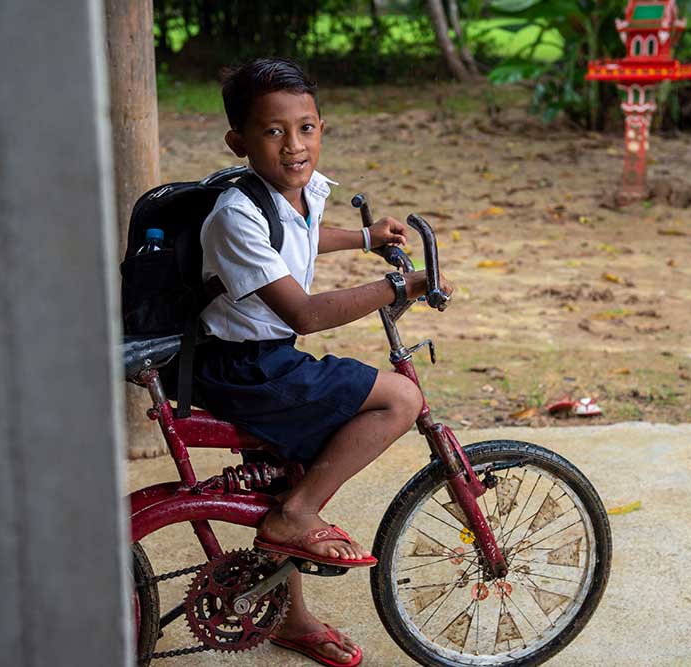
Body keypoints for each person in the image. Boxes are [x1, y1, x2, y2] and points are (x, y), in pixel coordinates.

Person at [196, 58, 451, 666]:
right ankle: (300, 513)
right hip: (245, 368)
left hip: (260, 357)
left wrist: (364, 239)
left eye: (305, 128)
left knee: (284, 472)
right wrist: (397, 289)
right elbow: (304, 315)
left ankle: (290, 617)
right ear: (240, 141)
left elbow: (299, 233)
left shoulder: (293, 191)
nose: (294, 146)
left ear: (321, 127)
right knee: (401, 398)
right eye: (273, 132)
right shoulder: (234, 214)